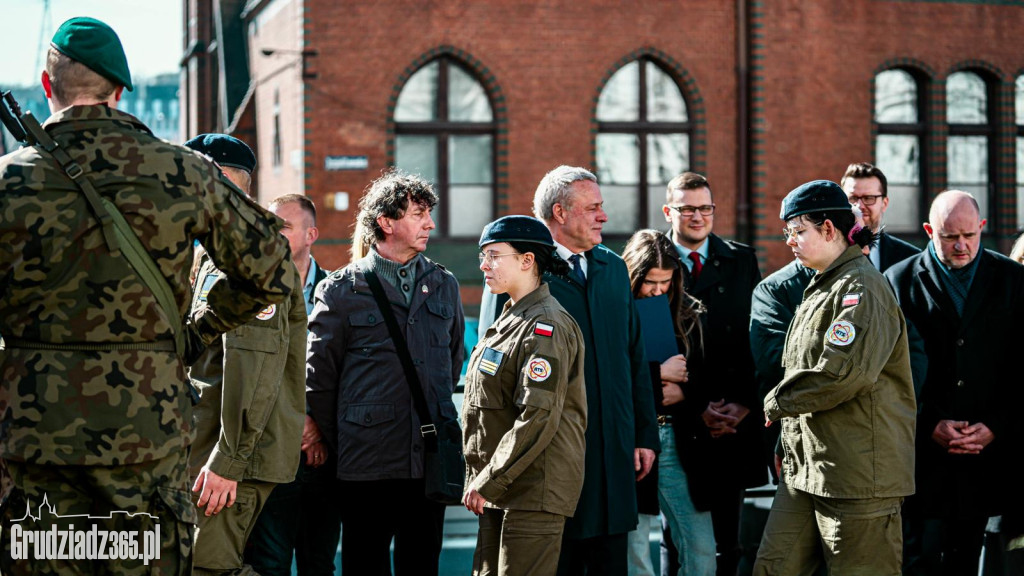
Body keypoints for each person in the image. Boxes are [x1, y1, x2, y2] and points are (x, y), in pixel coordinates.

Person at [0, 17, 295, 575]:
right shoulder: (183, 172)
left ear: (47, 85)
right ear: (119, 90)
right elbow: (273, 269)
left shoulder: (9, 181)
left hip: (33, 442)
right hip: (145, 439)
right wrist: (196, 332)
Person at [479, 166, 659, 575]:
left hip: (613, 456)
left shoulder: (613, 269)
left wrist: (644, 435)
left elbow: (635, 356)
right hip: (551, 460)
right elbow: (494, 375)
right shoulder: (524, 272)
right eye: (593, 208)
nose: (603, 216)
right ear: (559, 213)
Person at [306, 169, 465, 576]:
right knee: (364, 566)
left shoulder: (443, 284)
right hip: (365, 466)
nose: (429, 223)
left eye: (429, 213)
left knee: (422, 565)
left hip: (427, 461)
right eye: (418, 213)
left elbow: (450, 361)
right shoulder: (341, 290)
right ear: (386, 222)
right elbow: (319, 379)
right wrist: (341, 439)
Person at [753, 180, 916, 576]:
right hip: (807, 469)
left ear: (829, 229)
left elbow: (840, 375)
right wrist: (786, 436)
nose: (789, 241)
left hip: (857, 478)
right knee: (773, 568)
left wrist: (776, 404)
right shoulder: (823, 284)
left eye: (797, 231)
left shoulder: (860, 288)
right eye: (788, 232)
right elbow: (800, 368)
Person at [184, 134, 307, 576]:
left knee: (209, 569)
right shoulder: (213, 252)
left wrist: (227, 462)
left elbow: (253, 368)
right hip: (214, 446)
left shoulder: (248, 257)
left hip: (234, 455)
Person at [885, 190, 1024, 575]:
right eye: (949, 237)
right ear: (929, 230)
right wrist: (929, 424)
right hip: (922, 459)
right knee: (918, 562)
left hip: (991, 458)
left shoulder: (1014, 280)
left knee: (972, 562)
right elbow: (888, 372)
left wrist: (997, 425)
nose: (961, 245)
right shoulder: (897, 282)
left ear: (982, 228)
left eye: (968, 235)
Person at [462, 215, 588, 576]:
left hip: (532, 490)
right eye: (482, 255)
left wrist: (488, 480)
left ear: (527, 260)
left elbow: (537, 416)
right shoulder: (511, 319)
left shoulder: (545, 325)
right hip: (503, 488)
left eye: (494, 255)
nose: (484, 264)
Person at [663, 171, 766, 576]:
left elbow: (755, 339)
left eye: (705, 208)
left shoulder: (742, 260)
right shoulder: (654, 263)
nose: (697, 216)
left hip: (732, 419)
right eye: (687, 208)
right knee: (678, 539)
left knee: (730, 542)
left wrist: (742, 405)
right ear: (669, 211)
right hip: (682, 418)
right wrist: (699, 406)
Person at [246, 194, 339, 576]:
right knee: (269, 563)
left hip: (321, 454)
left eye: (283, 226)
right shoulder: (253, 293)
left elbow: (347, 372)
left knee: (319, 563)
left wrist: (315, 425)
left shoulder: (339, 292)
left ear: (311, 234)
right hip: (268, 450)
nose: (273, 234)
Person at [621, 230, 715, 576]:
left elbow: (707, 378)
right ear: (633, 274)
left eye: (666, 282)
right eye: (649, 282)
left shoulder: (688, 313)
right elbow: (609, 379)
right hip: (632, 441)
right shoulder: (616, 312)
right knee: (635, 550)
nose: (658, 290)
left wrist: (686, 393)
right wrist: (657, 376)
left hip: (680, 439)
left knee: (701, 545)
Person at [840, 162, 919, 270]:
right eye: (852, 198)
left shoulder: (912, 258)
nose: (859, 206)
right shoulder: (825, 255)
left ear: (884, 203)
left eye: (868, 198)